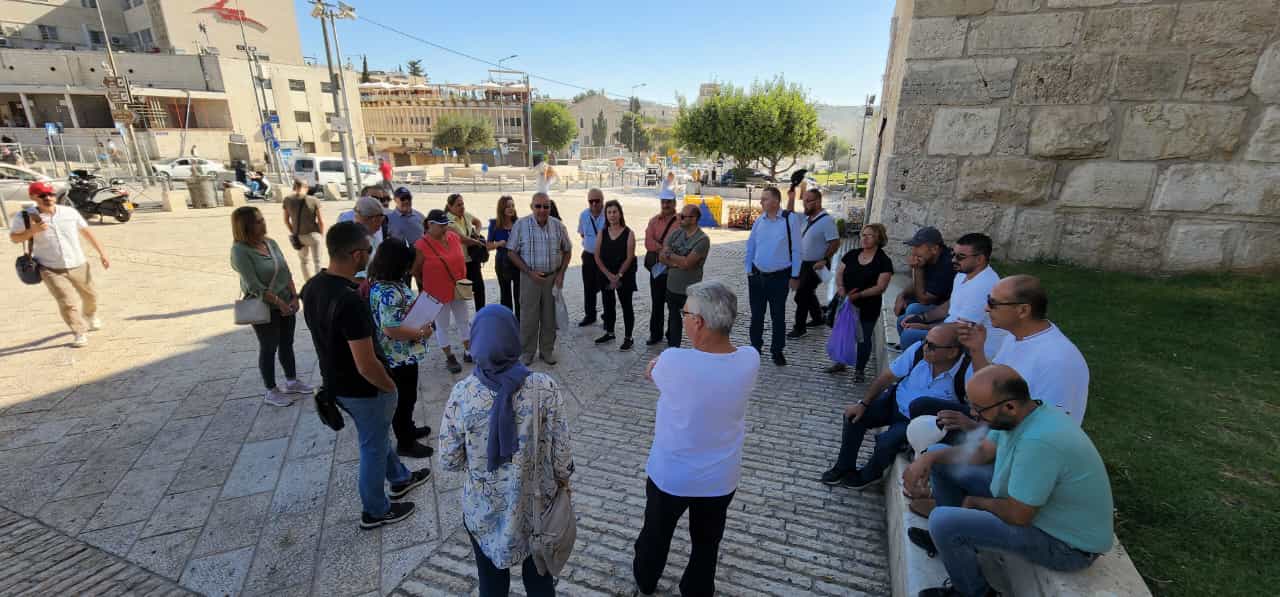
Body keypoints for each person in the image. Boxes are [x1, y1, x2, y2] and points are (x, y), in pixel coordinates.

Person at [905, 366, 1114, 597]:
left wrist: (975, 502)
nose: (973, 415)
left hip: (1066, 545)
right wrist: (928, 457)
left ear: (1010, 406)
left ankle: (973, 592)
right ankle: (949, 542)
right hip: (1035, 507)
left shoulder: (1039, 442)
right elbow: (982, 452)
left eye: (979, 409)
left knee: (943, 521)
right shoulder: (1025, 412)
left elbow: (1018, 514)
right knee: (939, 455)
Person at [633, 281, 759, 596]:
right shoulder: (750, 359)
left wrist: (657, 365)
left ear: (698, 322)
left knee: (655, 535)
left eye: (685, 312)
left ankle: (646, 580)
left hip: (672, 476)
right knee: (707, 543)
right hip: (719, 477)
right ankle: (697, 588)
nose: (683, 317)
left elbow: (653, 370)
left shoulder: (675, 361)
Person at [302, 222, 430, 529]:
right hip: (362, 388)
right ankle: (375, 511)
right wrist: (389, 388)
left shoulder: (314, 286)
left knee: (376, 434)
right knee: (372, 446)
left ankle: (399, 478)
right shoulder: (350, 301)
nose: (371, 257)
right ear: (357, 254)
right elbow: (366, 362)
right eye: (368, 250)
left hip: (335, 383)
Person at [439, 305, 573, 596]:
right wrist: (563, 481)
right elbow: (562, 455)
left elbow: (449, 459)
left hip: (484, 510)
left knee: (491, 585)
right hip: (537, 508)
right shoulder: (544, 387)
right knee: (540, 582)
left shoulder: (463, 394)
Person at [820, 325, 970, 489]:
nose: (926, 347)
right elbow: (887, 377)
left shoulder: (966, 371)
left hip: (915, 422)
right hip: (893, 403)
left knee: (886, 442)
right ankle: (843, 466)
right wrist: (863, 404)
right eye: (926, 341)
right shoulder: (918, 351)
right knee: (853, 416)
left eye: (932, 346)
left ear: (952, 352)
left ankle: (869, 475)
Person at [956, 275, 1090, 424]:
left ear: (1023, 310)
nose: (986, 308)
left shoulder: (1057, 361)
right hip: (996, 423)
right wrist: (976, 350)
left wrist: (972, 428)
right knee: (928, 406)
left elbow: (1047, 426)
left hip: (1025, 441)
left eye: (993, 303)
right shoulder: (1014, 336)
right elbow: (992, 385)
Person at [8, 181, 109, 348]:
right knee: (66, 301)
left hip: (78, 262)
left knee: (90, 296)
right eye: (42, 195)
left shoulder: (69, 212)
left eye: (51, 194)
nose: (48, 198)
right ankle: (78, 332)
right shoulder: (25, 217)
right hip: (49, 267)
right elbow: (14, 238)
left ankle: (90, 315)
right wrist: (32, 231)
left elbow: (86, 232)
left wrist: (102, 253)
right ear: (33, 197)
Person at [230, 206, 312, 407]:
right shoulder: (240, 251)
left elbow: (285, 270)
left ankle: (291, 381)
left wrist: (294, 296)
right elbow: (254, 285)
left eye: (262, 218)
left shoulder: (271, 243)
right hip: (264, 305)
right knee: (268, 347)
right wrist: (279, 303)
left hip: (286, 301)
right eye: (257, 221)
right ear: (245, 225)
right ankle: (271, 390)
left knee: (287, 343)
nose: (263, 222)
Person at [367, 240, 435, 459]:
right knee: (404, 399)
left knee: (408, 397)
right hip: (398, 356)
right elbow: (390, 328)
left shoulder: (387, 283)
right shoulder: (388, 291)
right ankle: (405, 442)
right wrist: (421, 333)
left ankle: (408, 428)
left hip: (403, 353)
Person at [900, 233, 1009, 358]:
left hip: (970, 342)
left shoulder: (983, 286)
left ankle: (915, 368)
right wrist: (922, 318)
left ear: (980, 259)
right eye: (953, 254)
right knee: (912, 312)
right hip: (954, 325)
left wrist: (925, 326)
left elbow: (961, 328)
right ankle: (912, 361)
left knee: (909, 335)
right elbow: (949, 306)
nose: (953, 260)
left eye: (960, 257)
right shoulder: (963, 273)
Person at [506, 192, 572, 365]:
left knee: (550, 318)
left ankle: (546, 351)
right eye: (538, 206)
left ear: (550, 207)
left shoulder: (558, 226)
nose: (542, 210)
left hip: (552, 278)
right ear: (531, 206)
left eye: (546, 206)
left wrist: (561, 274)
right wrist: (529, 272)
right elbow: (511, 251)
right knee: (528, 317)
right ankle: (527, 352)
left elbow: (568, 250)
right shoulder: (521, 225)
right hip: (529, 278)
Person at [827, 223, 894, 381]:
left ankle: (859, 370)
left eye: (869, 235)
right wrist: (842, 288)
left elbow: (880, 287)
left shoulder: (883, 261)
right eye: (863, 235)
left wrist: (860, 295)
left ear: (879, 238)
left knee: (863, 338)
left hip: (868, 306)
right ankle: (840, 363)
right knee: (844, 334)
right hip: (847, 303)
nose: (865, 238)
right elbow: (839, 272)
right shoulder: (852, 254)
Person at [744, 186, 802, 366]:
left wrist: (795, 275)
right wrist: (749, 269)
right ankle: (755, 348)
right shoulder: (760, 220)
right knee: (756, 316)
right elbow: (751, 244)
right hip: (757, 276)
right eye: (762, 199)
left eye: (765, 198)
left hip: (779, 277)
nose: (761, 201)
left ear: (776, 201)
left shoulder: (789, 219)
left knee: (778, 316)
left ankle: (777, 350)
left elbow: (797, 249)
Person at [413, 209, 473, 375]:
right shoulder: (421, 245)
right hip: (437, 292)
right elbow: (415, 270)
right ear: (430, 225)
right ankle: (449, 356)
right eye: (440, 225)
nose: (445, 228)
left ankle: (469, 351)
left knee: (463, 320)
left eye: (446, 224)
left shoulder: (453, 237)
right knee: (442, 325)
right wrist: (428, 283)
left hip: (458, 287)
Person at [787, 189, 840, 338]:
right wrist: (791, 198)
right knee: (807, 292)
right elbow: (790, 215)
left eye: (808, 201)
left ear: (817, 202)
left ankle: (800, 327)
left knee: (801, 296)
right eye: (804, 201)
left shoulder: (826, 221)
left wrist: (824, 259)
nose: (805, 204)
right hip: (804, 264)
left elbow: (835, 242)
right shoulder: (807, 218)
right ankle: (818, 318)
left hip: (817, 265)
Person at [660, 204, 710, 348]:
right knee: (673, 320)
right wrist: (677, 262)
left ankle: (697, 351)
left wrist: (672, 256)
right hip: (672, 287)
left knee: (694, 323)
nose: (679, 218)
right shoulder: (676, 233)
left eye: (682, 216)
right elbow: (662, 257)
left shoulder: (702, 240)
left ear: (694, 219)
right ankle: (673, 350)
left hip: (691, 291)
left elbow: (688, 263)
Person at [592, 199, 638, 350]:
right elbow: (597, 256)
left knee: (626, 306)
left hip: (624, 275)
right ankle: (610, 332)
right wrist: (608, 275)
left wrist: (618, 275)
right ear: (606, 215)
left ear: (620, 213)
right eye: (609, 212)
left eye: (615, 212)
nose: (612, 215)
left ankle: (628, 337)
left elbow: (629, 257)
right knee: (608, 304)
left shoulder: (629, 233)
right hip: (606, 274)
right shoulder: (602, 233)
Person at [893, 226, 955, 332]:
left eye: (918, 247)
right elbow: (917, 284)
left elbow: (924, 299)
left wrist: (917, 269)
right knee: (902, 318)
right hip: (934, 304)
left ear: (934, 249)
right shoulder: (929, 258)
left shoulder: (947, 265)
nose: (913, 251)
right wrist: (902, 295)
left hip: (946, 311)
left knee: (913, 309)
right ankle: (910, 347)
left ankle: (920, 345)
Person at [643, 197, 679, 346]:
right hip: (657, 270)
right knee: (656, 303)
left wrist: (660, 247)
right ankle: (655, 334)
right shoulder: (653, 221)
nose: (666, 205)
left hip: (674, 270)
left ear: (674, 203)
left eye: (669, 202)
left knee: (673, 305)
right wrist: (664, 248)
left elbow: (680, 243)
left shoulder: (680, 222)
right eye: (663, 202)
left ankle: (672, 335)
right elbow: (647, 242)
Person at [446, 193, 489, 311]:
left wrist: (477, 233)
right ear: (450, 207)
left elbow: (478, 222)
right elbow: (462, 239)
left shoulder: (466, 215)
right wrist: (477, 242)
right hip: (459, 263)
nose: (462, 207)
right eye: (458, 205)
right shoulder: (448, 221)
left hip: (472, 260)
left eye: (463, 204)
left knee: (479, 289)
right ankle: (463, 322)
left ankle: (480, 315)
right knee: (462, 294)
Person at [282, 179, 326, 280]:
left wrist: (294, 232)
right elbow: (320, 221)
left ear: (294, 186)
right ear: (306, 187)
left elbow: (286, 220)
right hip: (313, 234)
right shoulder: (314, 200)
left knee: (304, 261)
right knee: (317, 261)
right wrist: (321, 234)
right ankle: (319, 284)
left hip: (299, 236)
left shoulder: (287, 200)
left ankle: (308, 282)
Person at [576, 188, 606, 327]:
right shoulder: (583, 215)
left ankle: (608, 315)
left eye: (597, 201)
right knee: (588, 287)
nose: (594, 204)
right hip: (588, 256)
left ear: (602, 200)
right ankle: (590, 315)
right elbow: (582, 233)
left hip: (605, 257)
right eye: (591, 201)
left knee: (605, 287)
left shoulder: (608, 214)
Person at [488, 195, 521, 318]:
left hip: (518, 262)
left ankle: (519, 323)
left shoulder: (519, 223)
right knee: (505, 294)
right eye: (508, 206)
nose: (511, 208)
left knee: (519, 295)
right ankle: (507, 322)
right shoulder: (494, 224)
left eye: (512, 206)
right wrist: (499, 243)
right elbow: (488, 246)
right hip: (502, 263)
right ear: (502, 208)